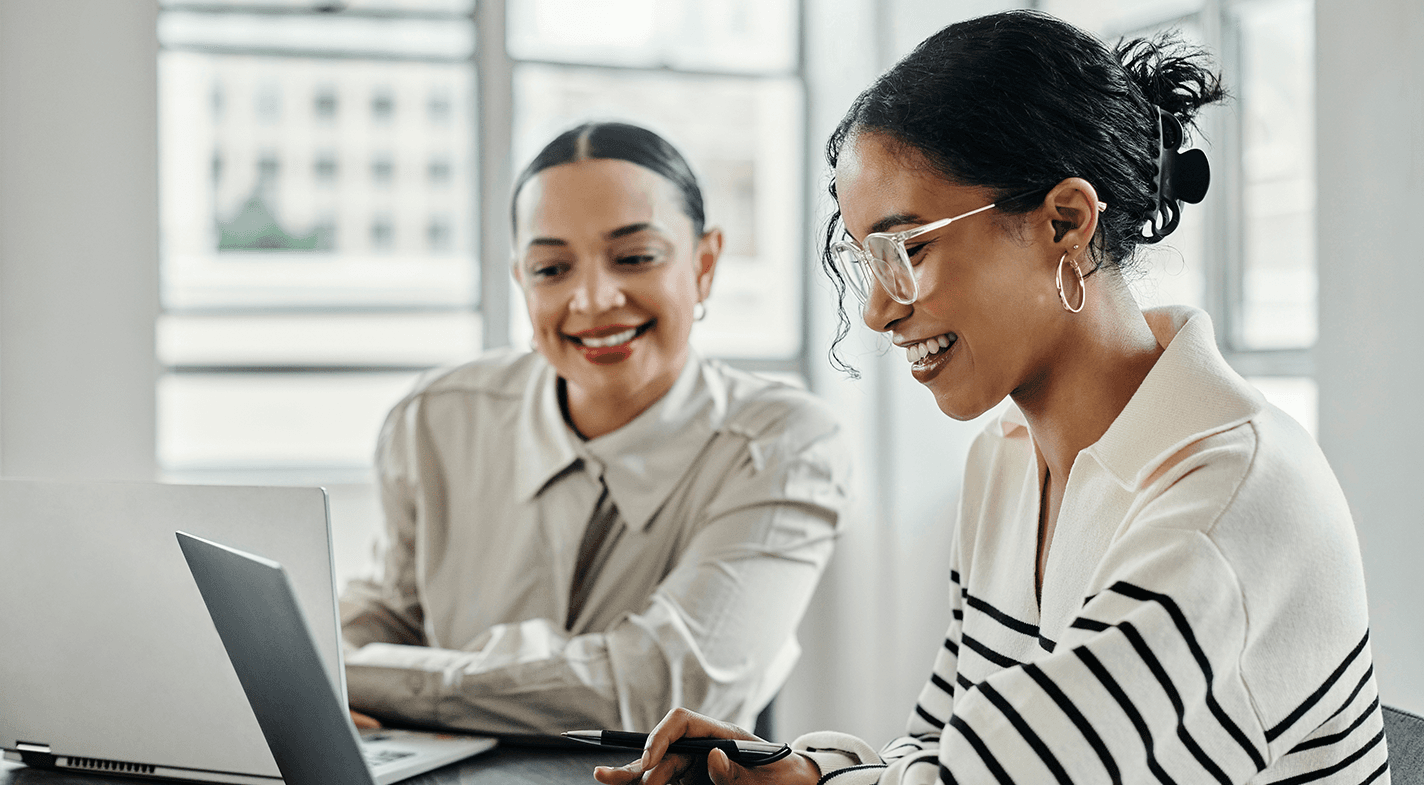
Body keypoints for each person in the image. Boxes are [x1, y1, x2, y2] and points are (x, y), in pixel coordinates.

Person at [597, 11, 1388, 785]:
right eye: (864, 258)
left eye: (908, 248)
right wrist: (804, 770)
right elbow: (938, 745)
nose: (877, 308)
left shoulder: (1232, 498)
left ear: (1066, 222)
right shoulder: (1005, 463)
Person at [338, 121, 850, 737]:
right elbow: (391, 614)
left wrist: (366, 678)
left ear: (705, 264)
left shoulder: (785, 443)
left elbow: (666, 691)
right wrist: (312, 673)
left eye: (634, 258)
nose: (593, 299)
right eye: (551, 269)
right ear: (521, 282)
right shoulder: (436, 419)